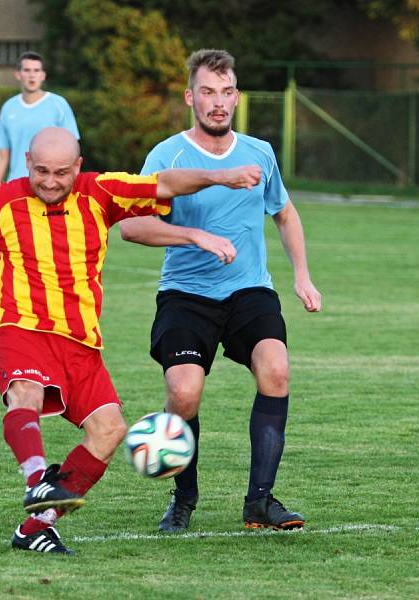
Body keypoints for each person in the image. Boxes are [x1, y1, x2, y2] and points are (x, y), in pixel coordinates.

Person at [0, 127, 261, 555]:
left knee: (110, 429)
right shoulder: (1, 202)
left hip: (81, 342)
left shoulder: (100, 192)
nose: (51, 182)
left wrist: (220, 177)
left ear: (77, 166)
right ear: (28, 165)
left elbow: (165, 184)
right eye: (41, 171)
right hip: (21, 329)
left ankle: (37, 525)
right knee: (27, 393)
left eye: (61, 172)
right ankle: (39, 479)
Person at [118, 49, 322, 534]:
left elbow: (285, 214)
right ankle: (183, 498)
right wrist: (195, 235)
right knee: (184, 392)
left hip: (249, 290)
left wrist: (302, 275)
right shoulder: (166, 156)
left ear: (237, 97)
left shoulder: (260, 152)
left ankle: (260, 502)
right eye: (207, 92)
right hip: (186, 294)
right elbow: (131, 226)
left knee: (276, 368)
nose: (218, 102)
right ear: (191, 96)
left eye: (226, 92)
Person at [0, 51, 79, 187]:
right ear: (18, 74)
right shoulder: (8, 107)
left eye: (36, 70)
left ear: (43, 75)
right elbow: (1, 155)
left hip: (48, 186)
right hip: (16, 186)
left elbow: (72, 151)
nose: (32, 75)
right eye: (27, 70)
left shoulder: (58, 104)